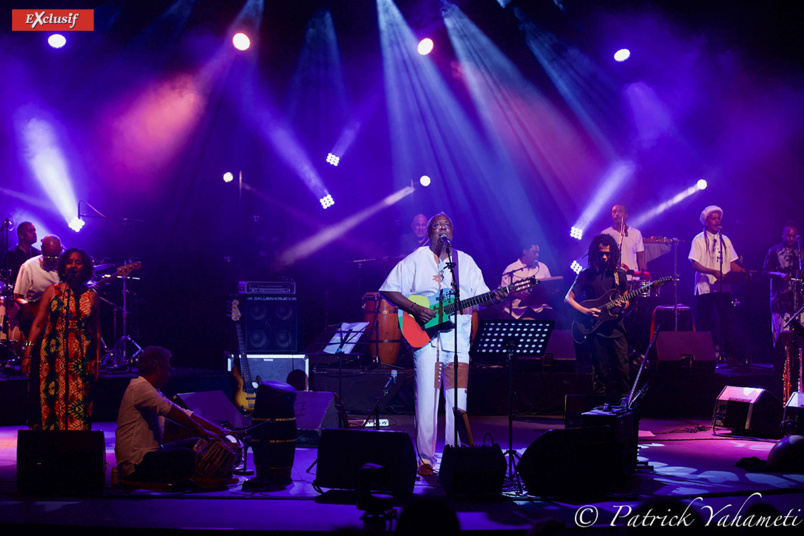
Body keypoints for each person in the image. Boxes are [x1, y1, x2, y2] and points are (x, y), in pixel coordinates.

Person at [380, 213, 504, 476]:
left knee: (458, 400)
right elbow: (388, 289)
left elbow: (480, 298)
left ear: (452, 231)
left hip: (458, 337)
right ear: (429, 232)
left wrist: (495, 297)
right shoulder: (416, 259)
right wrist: (415, 308)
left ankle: (454, 455)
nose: (442, 228)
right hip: (426, 338)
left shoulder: (465, 262)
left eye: (447, 225)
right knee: (426, 398)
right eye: (437, 225)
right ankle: (425, 460)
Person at [115, 346, 230, 483]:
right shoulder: (139, 388)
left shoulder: (151, 389)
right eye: (168, 369)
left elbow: (182, 412)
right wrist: (200, 430)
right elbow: (170, 410)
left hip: (151, 454)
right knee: (187, 456)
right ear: (159, 370)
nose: (169, 374)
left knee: (197, 443)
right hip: (136, 463)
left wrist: (217, 430)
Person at [21, 248, 100, 430]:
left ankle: (76, 447)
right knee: (52, 402)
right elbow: (38, 325)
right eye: (70, 261)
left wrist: (96, 360)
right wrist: (28, 352)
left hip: (81, 358)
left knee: (79, 402)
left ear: (85, 267)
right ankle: (53, 445)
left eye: (78, 262)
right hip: (52, 357)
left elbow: (95, 331)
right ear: (64, 266)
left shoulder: (92, 296)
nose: (73, 265)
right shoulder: (52, 291)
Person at [565, 234, 631, 399]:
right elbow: (568, 298)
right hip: (595, 328)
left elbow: (626, 296)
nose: (604, 257)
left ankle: (623, 408)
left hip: (616, 327)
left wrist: (624, 304)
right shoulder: (586, 274)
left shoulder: (619, 273)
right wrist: (585, 311)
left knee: (622, 369)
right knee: (600, 371)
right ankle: (599, 408)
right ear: (594, 252)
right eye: (601, 253)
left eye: (608, 254)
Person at [688, 205, 746, 362]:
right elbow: (695, 264)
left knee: (727, 322)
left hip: (723, 287)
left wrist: (743, 272)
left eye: (718, 218)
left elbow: (732, 263)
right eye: (713, 218)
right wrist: (712, 271)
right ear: (706, 222)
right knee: (706, 322)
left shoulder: (725, 239)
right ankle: (704, 356)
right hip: (705, 287)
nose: (717, 221)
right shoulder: (698, 239)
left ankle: (730, 356)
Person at [762, 222, 802, 372]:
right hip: (780, 301)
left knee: (797, 336)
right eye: (788, 235)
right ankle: (779, 368)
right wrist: (779, 274)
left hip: (798, 302)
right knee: (780, 336)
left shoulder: (800, 253)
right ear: (783, 235)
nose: (791, 238)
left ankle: (795, 367)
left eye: (794, 236)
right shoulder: (774, 251)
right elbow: (765, 272)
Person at [14, 234, 62, 339]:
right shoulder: (29, 266)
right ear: (41, 249)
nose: (50, 260)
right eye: (47, 256)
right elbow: (18, 295)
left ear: (61, 250)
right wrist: (25, 305)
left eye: (54, 256)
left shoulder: (67, 266)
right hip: (36, 317)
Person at [501, 242, 555, 320]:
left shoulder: (543, 267)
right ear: (525, 252)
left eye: (538, 253)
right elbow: (503, 295)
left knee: (560, 321)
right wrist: (514, 294)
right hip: (516, 312)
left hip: (539, 308)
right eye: (534, 252)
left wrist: (553, 290)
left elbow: (550, 287)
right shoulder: (510, 269)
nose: (537, 255)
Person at [600, 204, 647, 276]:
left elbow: (641, 257)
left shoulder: (636, 233)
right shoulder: (605, 233)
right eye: (614, 212)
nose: (616, 214)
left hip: (631, 278)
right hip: (612, 279)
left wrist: (644, 276)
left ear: (626, 215)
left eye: (620, 211)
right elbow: (602, 257)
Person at [3, 221, 39, 287]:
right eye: (30, 231)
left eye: (34, 230)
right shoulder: (11, 254)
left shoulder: (38, 253)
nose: (34, 233)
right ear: (21, 235)